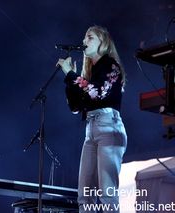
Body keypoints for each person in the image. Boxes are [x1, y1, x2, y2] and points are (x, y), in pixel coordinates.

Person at [57, 25, 127, 213]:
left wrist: (70, 75)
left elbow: (97, 93)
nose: (84, 42)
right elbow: (75, 106)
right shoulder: (89, 74)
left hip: (108, 126)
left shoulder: (110, 65)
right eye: (84, 38)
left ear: (102, 42)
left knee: (107, 194)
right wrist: (71, 78)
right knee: (85, 195)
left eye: (90, 38)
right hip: (91, 129)